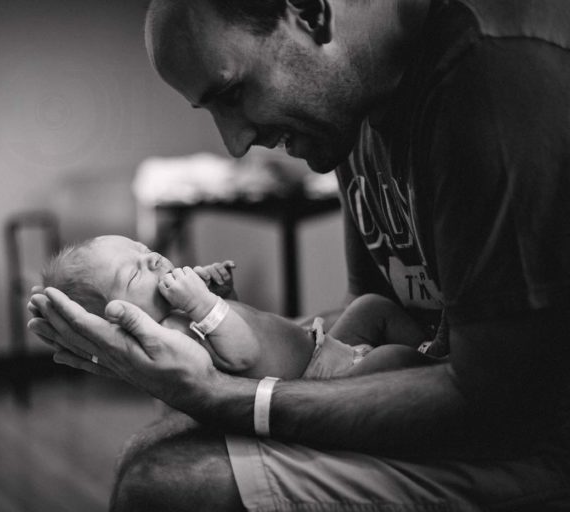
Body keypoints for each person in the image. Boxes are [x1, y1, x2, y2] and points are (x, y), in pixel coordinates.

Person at [29, 0, 570, 510]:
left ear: (310, 12)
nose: (234, 144)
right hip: (445, 387)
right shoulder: (351, 109)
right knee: (159, 443)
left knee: (161, 484)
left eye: (233, 93)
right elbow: (370, 304)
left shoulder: (491, 85)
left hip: (535, 433)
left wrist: (220, 394)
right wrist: (213, 351)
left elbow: (500, 401)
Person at [43, 234, 436, 380]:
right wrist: (203, 303)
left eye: (144, 251)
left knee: (370, 307)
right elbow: (243, 354)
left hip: (321, 345)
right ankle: (435, 369)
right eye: (133, 276)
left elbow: (241, 330)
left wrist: (224, 298)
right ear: (122, 321)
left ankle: (434, 348)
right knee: (395, 361)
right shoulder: (172, 338)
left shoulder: (183, 313)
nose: (152, 260)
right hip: (321, 382)